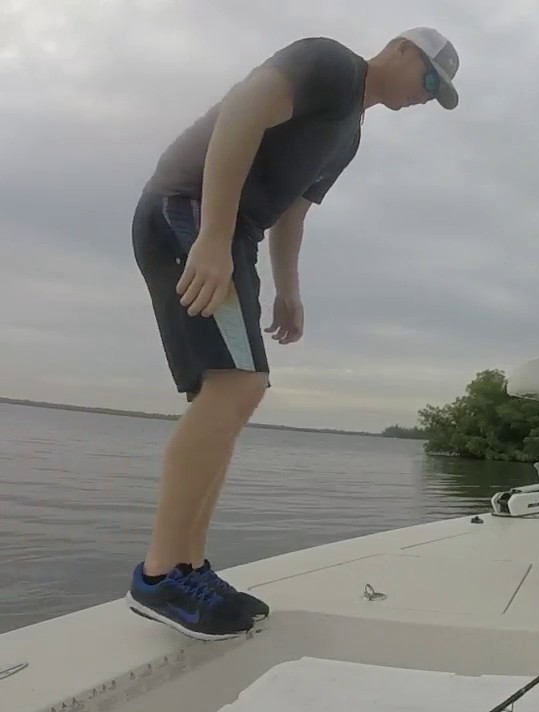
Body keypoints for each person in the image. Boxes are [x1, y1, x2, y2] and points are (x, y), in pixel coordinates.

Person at [125, 27, 461, 640]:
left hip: (234, 234)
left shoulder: (349, 135)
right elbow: (241, 116)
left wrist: (288, 289)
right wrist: (211, 237)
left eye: (439, 93)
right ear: (402, 49)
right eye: (431, 79)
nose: (427, 95)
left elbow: (293, 214)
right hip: (189, 208)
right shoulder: (329, 64)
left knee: (231, 396)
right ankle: (159, 575)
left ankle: (189, 565)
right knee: (236, 389)